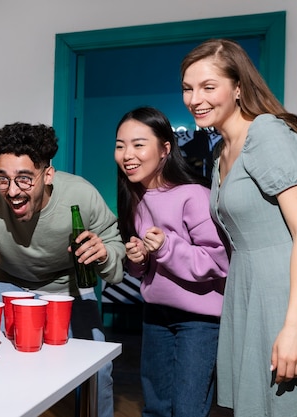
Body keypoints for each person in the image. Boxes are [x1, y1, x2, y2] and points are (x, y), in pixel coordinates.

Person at [180, 39, 297, 416]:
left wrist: (295, 327)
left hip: (288, 294)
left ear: (237, 87)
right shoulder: (222, 150)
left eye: (208, 86)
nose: (194, 98)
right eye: (188, 88)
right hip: (250, 294)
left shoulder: (265, 134)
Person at [0, 122, 124, 417]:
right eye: (3, 179)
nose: (12, 191)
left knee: (99, 365)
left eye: (25, 179)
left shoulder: (81, 195)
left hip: (67, 289)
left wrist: (105, 254)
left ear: (48, 174)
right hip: (12, 286)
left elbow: (116, 271)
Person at [115, 106, 229, 417]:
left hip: (198, 321)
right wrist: (138, 261)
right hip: (155, 315)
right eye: (120, 145)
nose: (127, 155)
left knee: (188, 410)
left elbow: (218, 262)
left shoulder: (193, 195)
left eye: (139, 144)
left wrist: (167, 247)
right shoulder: (135, 198)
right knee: (155, 409)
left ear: (165, 149)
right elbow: (150, 272)